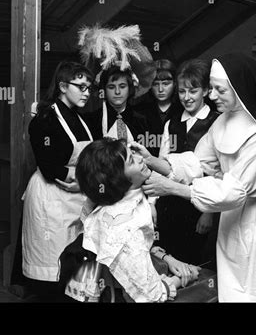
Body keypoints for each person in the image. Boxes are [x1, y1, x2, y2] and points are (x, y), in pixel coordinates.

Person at [131, 53, 256, 302]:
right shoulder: (222, 121)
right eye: (211, 88)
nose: (211, 95)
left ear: (240, 89)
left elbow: (233, 192)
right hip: (232, 219)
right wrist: (150, 160)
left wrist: (172, 188)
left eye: (219, 89)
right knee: (232, 286)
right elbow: (197, 161)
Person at [62, 138, 201, 303]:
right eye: (131, 160)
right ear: (118, 178)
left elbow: (140, 247)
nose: (141, 158)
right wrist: (182, 278)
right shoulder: (124, 226)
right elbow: (153, 296)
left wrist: (167, 259)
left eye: (134, 154)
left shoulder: (115, 201)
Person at [21, 60, 95, 300]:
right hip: (50, 197)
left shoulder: (80, 119)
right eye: (81, 86)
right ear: (63, 86)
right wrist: (80, 179)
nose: (87, 92)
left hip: (75, 196)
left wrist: (83, 183)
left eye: (89, 87)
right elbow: (49, 167)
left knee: (72, 260)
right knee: (50, 263)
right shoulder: (44, 120)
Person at [155, 59, 220, 266]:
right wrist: (152, 203)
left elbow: (218, 173)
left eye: (193, 91)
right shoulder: (171, 123)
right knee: (165, 259)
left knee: (192, 262)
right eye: (182, 91)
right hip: (168, 203)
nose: (186, 97)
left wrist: (207, 214)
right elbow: (161, 165)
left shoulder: (216, 122)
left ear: (205, 91)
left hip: (197, 207)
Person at [85, 66, 148, 143]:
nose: (117, 92)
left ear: (129, 89)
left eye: (122, 86)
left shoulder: (142, 121)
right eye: (111, 87)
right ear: (104, 90)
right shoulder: (92, 121)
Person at [134, 59, 183, 156]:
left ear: (175, 83)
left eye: (165, 84)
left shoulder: (183, 109)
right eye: (155, 84)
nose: (160, 89)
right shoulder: (139, 112)